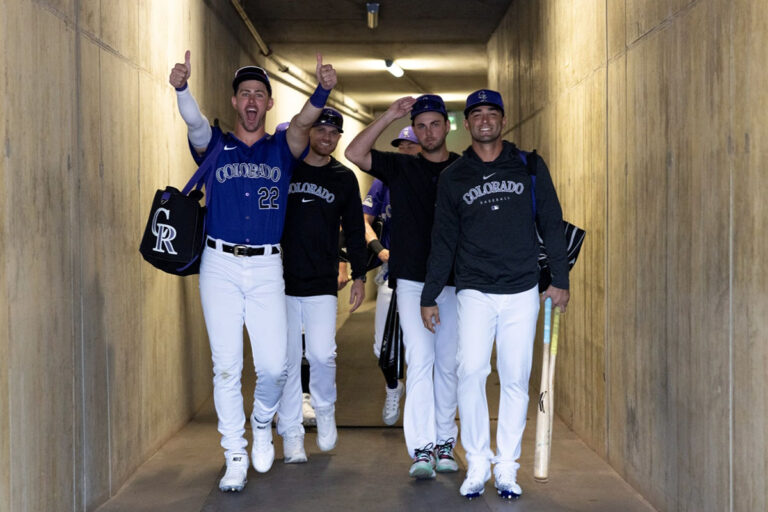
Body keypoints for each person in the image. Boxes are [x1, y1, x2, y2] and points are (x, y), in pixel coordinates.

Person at [168, 50, 337, 493]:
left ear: (268, 104)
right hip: (219, 264)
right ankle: (236, 453)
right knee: (225, 367)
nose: (251, 101)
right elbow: (195, 125)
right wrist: (182, 88)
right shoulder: (217, 146)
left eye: (259, 95)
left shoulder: (283, 148)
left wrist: (322, 89)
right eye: (244, 93)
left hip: (266, 267)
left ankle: (263, 421)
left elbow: (303, 124)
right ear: (234, 100)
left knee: (275, 367)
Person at [419, 89, 570, 500]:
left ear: (503, 121)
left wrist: (560, 279)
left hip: (522, 288)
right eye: (477, 115)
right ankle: (478, 461)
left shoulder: (529, 166)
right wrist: (430, 294)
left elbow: (552, 223)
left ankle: (506, 466)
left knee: (516, 378)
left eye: (492, 114)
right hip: (475, 289)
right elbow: (443, 239)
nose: (484, 120)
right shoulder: (454, 177)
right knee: (470, 371)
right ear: (465, 124)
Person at [345, 95, 460, 480]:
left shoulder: (463, 170)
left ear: (446, 127)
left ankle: (446, 441)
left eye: (434, 124)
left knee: (448, 365)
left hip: (454, 283)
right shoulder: (400, 167)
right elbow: (354, 151)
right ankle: (422, 449)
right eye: (420, 125)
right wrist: (389, 116)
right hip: (410, 281)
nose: (428, 132)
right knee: (421, 361)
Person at [276, 107, 367, 463]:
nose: (327, 137)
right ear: (307, 131)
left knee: (321, 354)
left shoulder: (344, 178)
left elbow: (356, 230)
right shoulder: (287, 167)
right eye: (321, 129)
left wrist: (359, 274)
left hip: (322, 281)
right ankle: (292, 435)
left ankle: (324, 408)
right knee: (285, 360)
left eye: (333, 133)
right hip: (280, 281)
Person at [362, 126, 420, 425]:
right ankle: (393, 387)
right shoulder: (384, 182)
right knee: (381, 346)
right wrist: (378, 249)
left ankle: (422, 404)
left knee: (420, 344)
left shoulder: (433, 179)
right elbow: (364, 221)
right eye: (401, 146)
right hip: (390, 273)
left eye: (411, 145)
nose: (405, 150)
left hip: (423, 275)